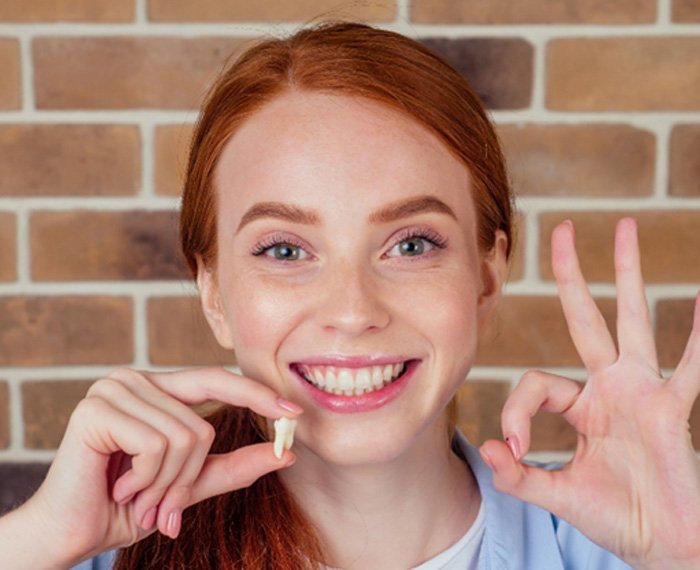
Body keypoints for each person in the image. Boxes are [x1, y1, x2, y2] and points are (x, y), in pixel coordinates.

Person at [1, 21, 699, 570]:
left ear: (487, 275)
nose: (353, 311)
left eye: (411, 244)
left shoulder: (630, 549)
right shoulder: (94, 555)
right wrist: (34, 543)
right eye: (284, 250)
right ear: (212, 292)